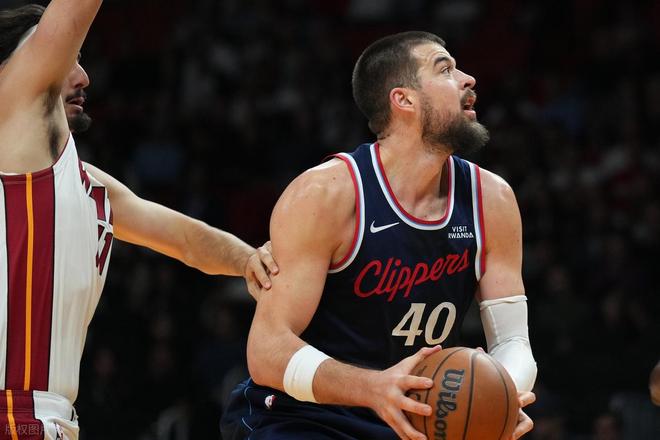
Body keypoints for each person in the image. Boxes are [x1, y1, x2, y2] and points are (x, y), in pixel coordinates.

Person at [221, 31, 537, 440]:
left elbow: (512, 340)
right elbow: (267, 351)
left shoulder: (491, 199)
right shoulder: (326, 194)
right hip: (304, 417)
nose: (468, 79)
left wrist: (503, 395)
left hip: (414, 419)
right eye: (445, 69)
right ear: (403, 99)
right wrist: (372, 389)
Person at [0, 2, 275, 439]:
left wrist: (250, 263)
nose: (83, 77)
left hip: (48, 417)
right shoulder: (13, 121)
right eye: (67, 58)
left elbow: (185, 239)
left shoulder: (86, 185)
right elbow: (71, 14)